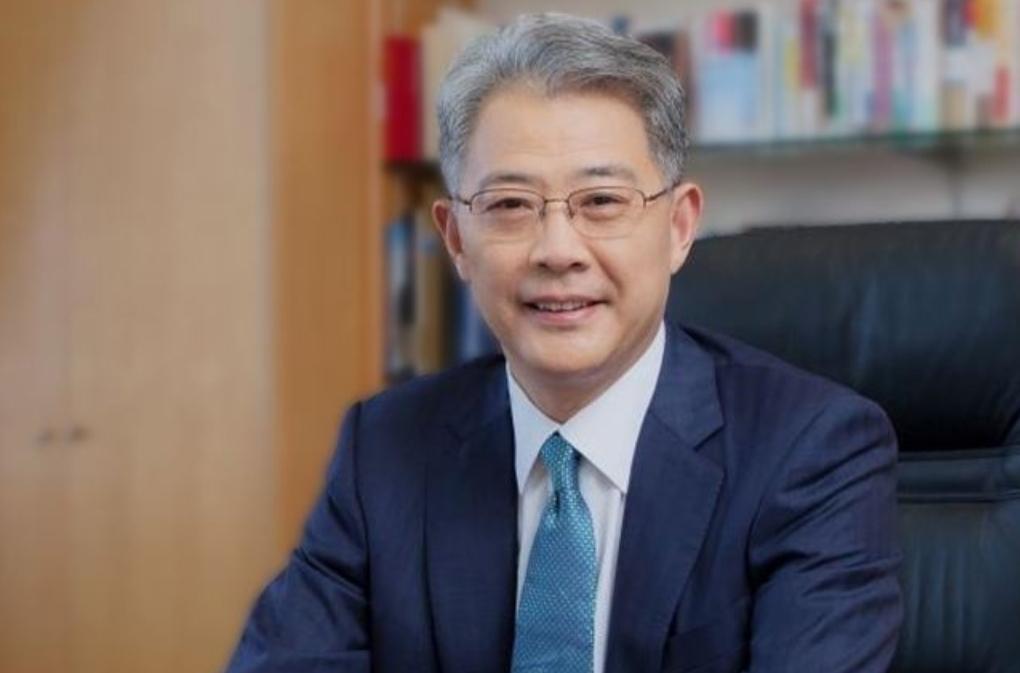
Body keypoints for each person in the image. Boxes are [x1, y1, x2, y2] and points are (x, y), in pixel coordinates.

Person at [225, 12, 901, 673]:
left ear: (679, 226)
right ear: (456, 239)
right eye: (510, 205)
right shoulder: (385, 450)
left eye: (601, 201)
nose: (557, 250)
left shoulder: (811, 451)